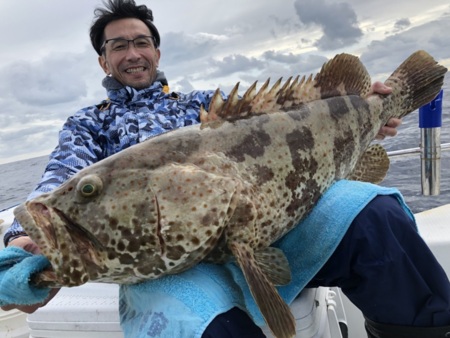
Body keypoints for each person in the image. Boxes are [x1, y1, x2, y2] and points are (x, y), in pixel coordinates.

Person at [2, 1, 450, 337]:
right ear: (104, 60)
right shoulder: (88, 124)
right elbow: (60, 183)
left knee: (377, 220)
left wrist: (364, 106)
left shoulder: (203, 105)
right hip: (172, 262)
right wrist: (23, 241)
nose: (133, 53)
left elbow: (294, 117)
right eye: (118, 45)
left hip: (273, 221)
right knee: (203, 326)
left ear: (156, 52)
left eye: (142, 42)